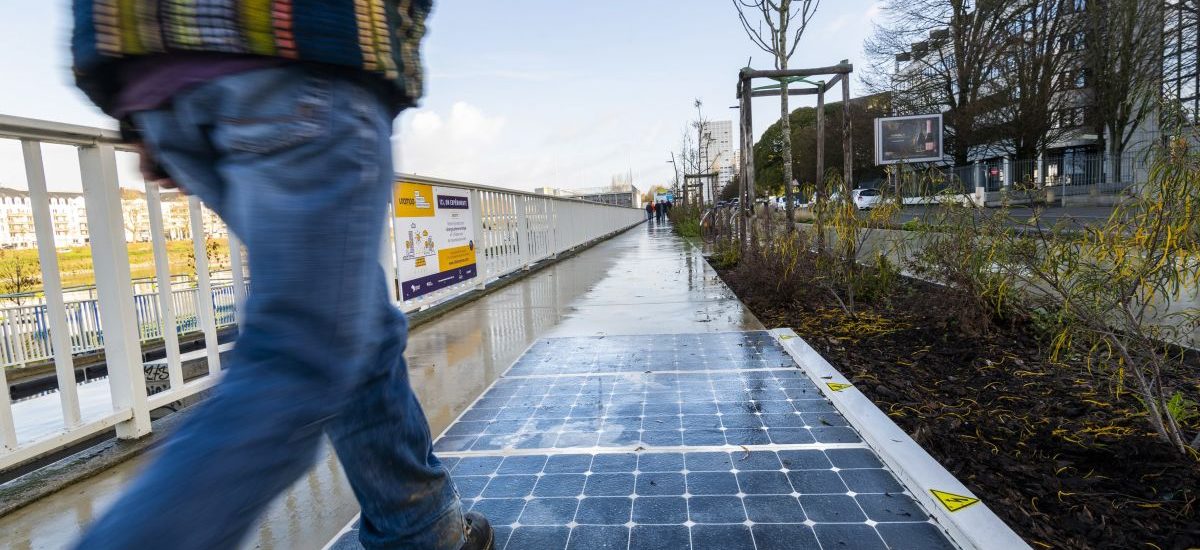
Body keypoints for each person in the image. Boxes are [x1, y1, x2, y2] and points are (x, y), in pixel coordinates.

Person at [69, 2, 492, 549]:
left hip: (160, 82)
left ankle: (422, 524)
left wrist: (141, 113)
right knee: (298, 357)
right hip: (299, 52)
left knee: (353, 321)